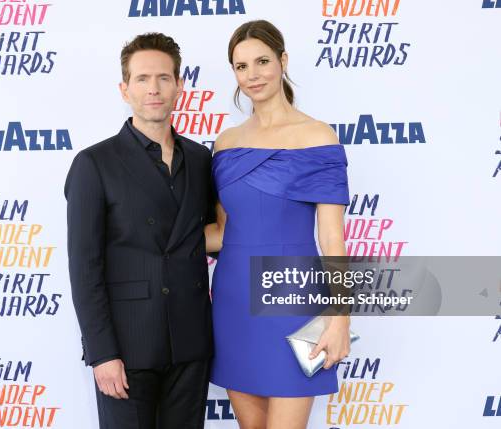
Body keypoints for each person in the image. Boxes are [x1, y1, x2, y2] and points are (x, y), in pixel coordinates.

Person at [204, 20, 352, 429]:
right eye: (241, 66)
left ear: (283, 61)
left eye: (263, 61)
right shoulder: (226, 143)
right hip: (233, 301)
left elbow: (331, 237)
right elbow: (222, 230)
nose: (252, 75)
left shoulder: (317, 136)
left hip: (293, 302)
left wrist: (340, 318)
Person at [65, 32, 215, 429]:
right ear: (124, 89)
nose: (154, 89)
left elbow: (211, 234)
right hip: (127, 350)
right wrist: (102, 354)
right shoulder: (93, 164)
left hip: (190, 343)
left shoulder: (201, 159)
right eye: (143, 79)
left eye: (164, 78)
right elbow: (85, 268)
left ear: (179, 86)